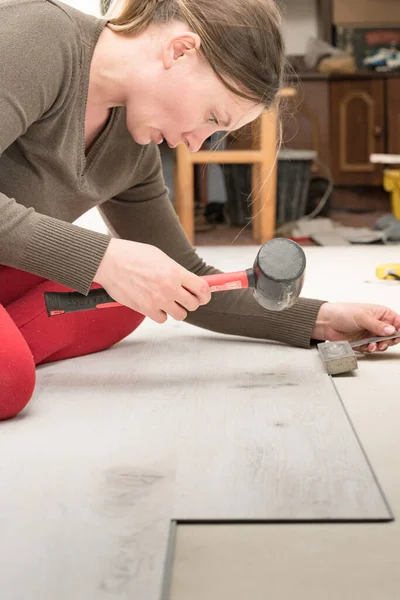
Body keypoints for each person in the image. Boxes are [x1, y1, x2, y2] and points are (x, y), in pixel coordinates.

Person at [0, 0, 399, 421]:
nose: (194, 143)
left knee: (139, 294)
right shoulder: (38, 38)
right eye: (211, 116)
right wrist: (103, 259)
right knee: (11, 378)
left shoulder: (134, 151)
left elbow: (191, 280)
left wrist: (320, 320)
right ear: (180, 51)